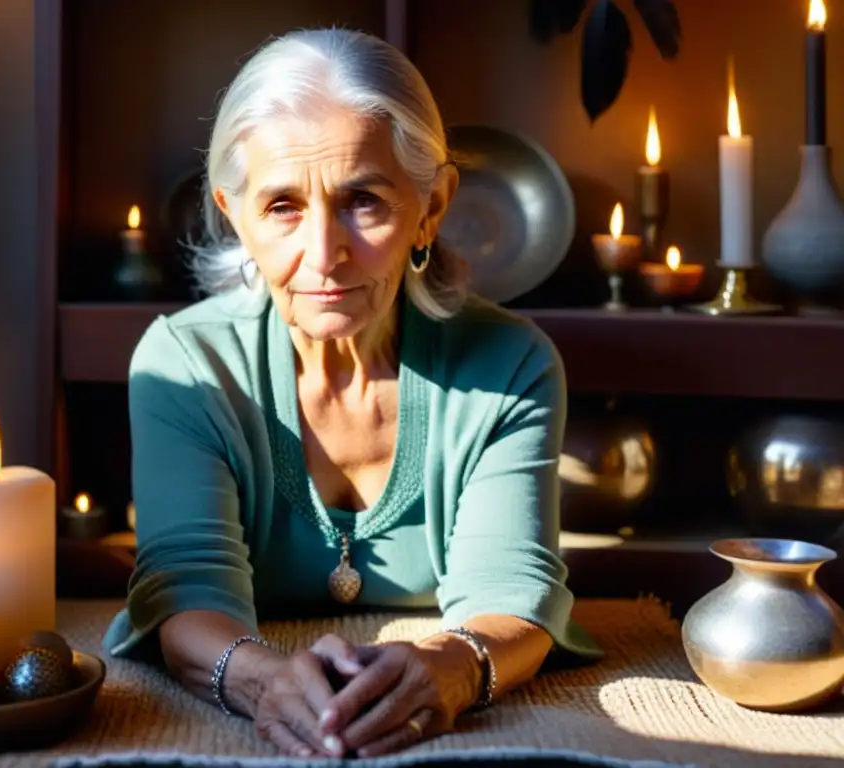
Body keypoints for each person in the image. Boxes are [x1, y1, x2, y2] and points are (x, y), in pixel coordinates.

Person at [103, 26, 603, 760]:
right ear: (234, 214)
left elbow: (514, 592)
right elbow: (183, 592)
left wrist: (456, 667)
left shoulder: (509, 365)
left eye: (362, 201)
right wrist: (262, 681)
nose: (324, 254)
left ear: (431, 207)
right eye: (281, 207)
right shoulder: (186, 363)